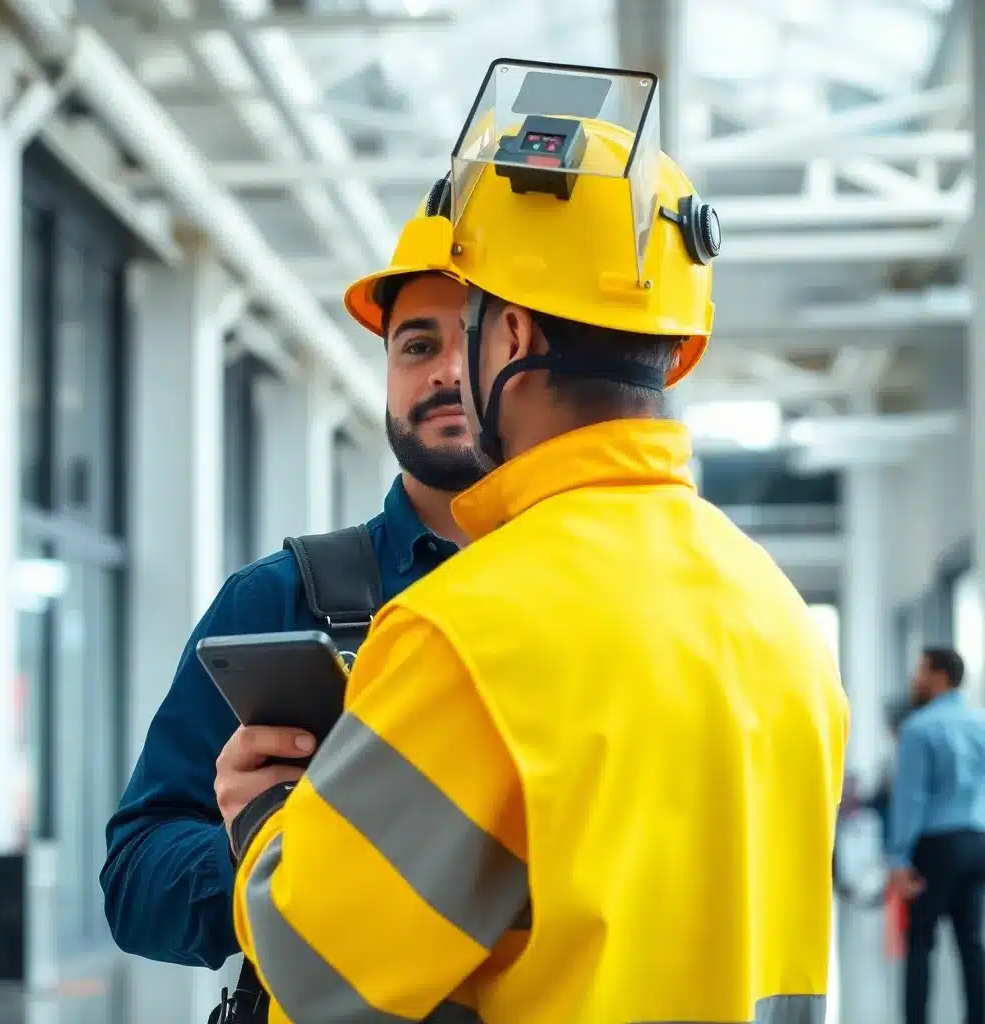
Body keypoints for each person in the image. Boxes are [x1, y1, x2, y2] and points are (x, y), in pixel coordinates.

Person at [228, 60, 850, 1024]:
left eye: (460, 323)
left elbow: (319, 968)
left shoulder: (467, 633)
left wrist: (265, 821)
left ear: (509, 336)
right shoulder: (779, 620)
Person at [99, 195, 481, 983]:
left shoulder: (601, 603)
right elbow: (135, 885)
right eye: (415, 345)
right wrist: (250, 844)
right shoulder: (279, 602)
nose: (443, 370)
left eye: (471, 342)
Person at [888, 647, 985, 1024]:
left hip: (936, 846)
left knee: (920, 946)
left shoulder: (919, 727)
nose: (915, 679)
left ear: (940, 676)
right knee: (972, 943)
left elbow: (911, 798)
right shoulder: (980, 724)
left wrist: (898, 859)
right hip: (976, 842)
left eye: (921, 671)